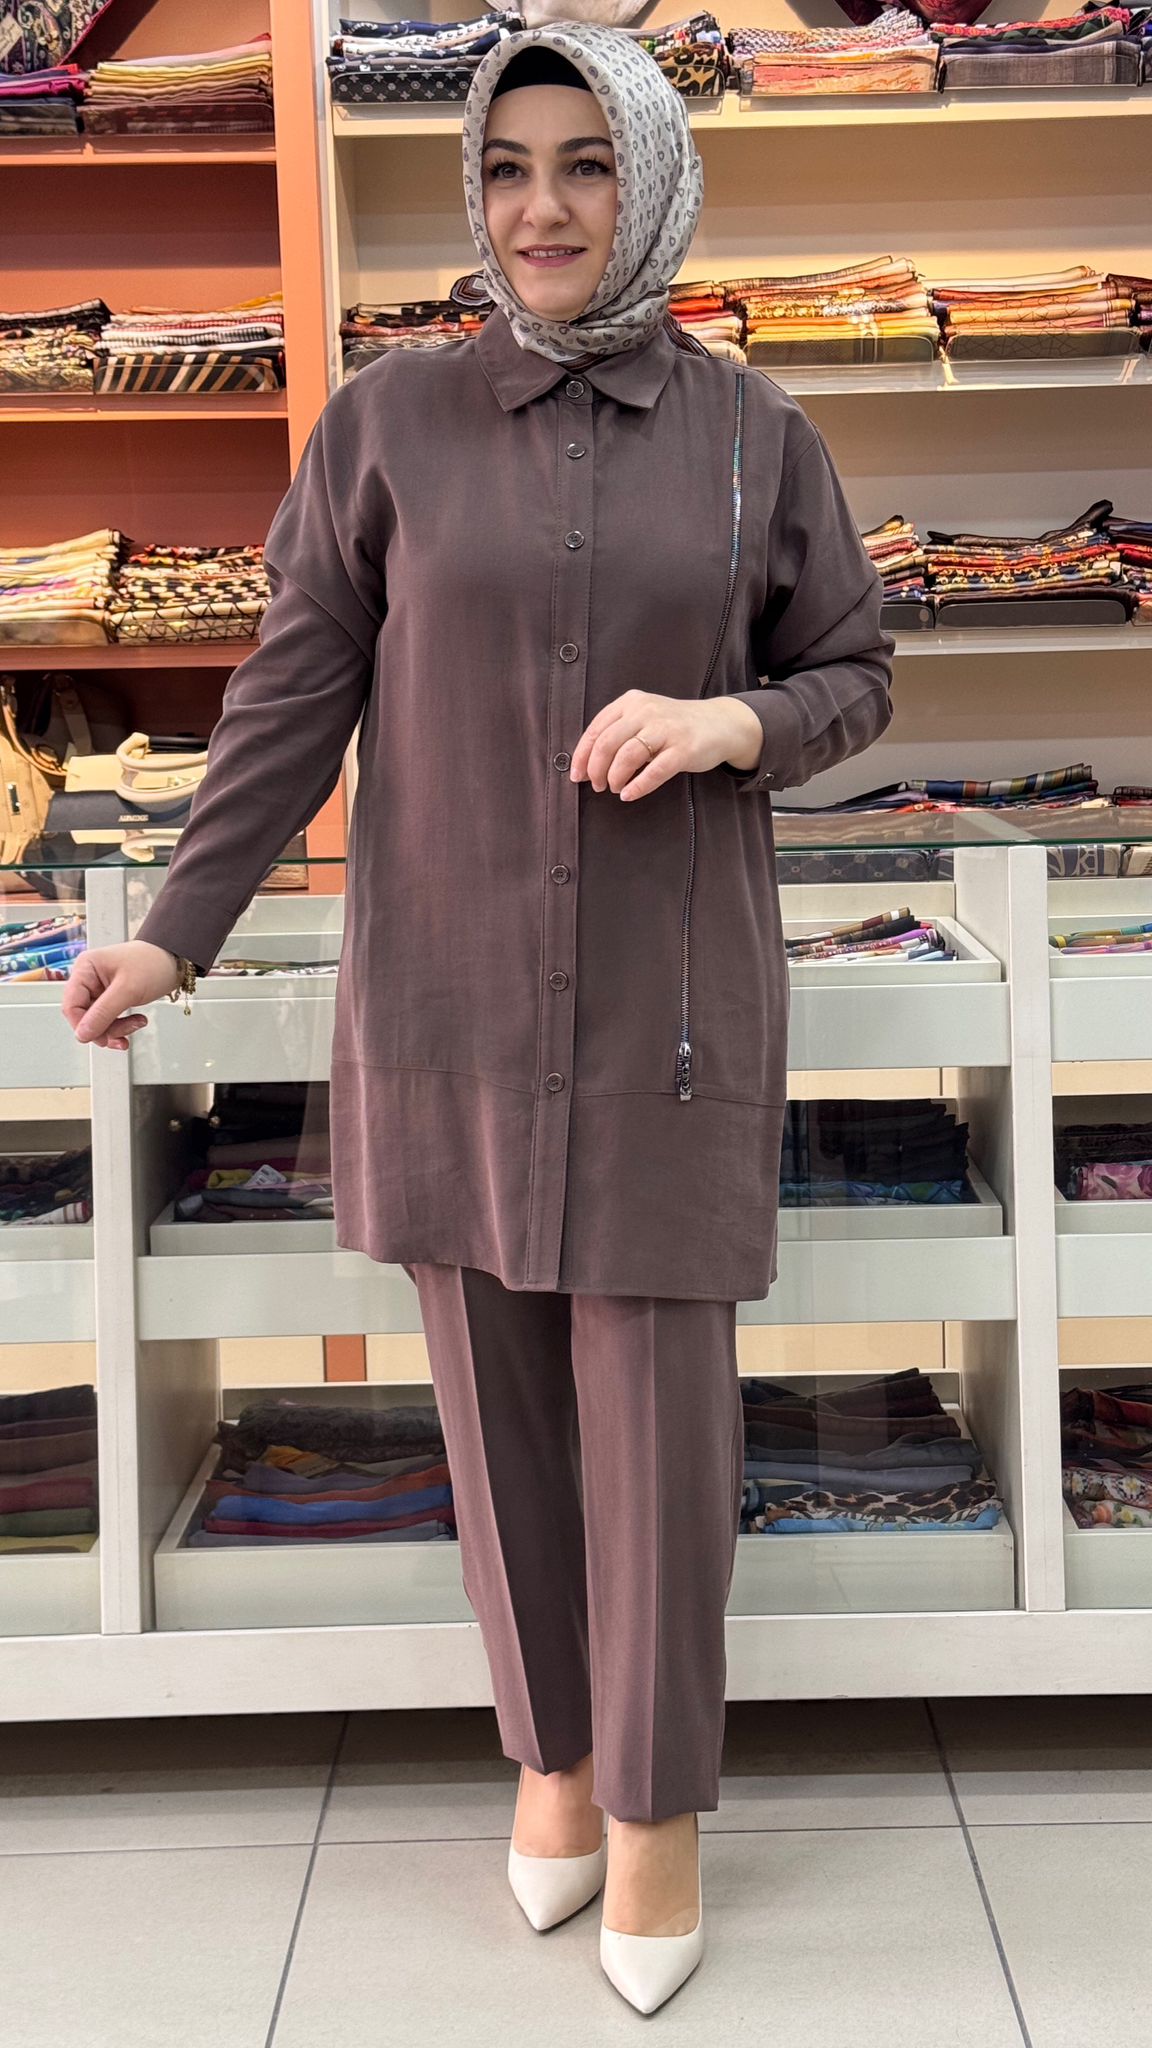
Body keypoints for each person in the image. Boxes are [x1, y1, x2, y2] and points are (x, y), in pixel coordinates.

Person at [61, 21, 894, 2016]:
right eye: (510, 166)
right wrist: (177, 930)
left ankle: (661, 1806)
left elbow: (855, 673)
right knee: (498, 1408)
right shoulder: (385, 426)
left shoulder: (755, 433)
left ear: (653, 182)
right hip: (448, 987)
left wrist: (732, 722)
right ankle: (554, 1758)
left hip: (671, 1004)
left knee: (660, 1429)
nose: (542, 207)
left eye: (588, 164)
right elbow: (290, 695)